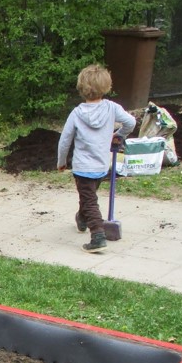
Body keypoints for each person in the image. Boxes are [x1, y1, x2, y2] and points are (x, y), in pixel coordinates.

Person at [57, 64, 136, 252]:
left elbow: (64, 140)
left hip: (83, 167)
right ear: (106, 87)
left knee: (89, 200)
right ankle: (82, 218)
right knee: (88, 197)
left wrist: (61, 162)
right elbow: (131, 122)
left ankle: (98, 235)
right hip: (102, 165)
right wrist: (119, 134)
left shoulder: (77, 113)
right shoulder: (112, 108)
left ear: (81, 88)